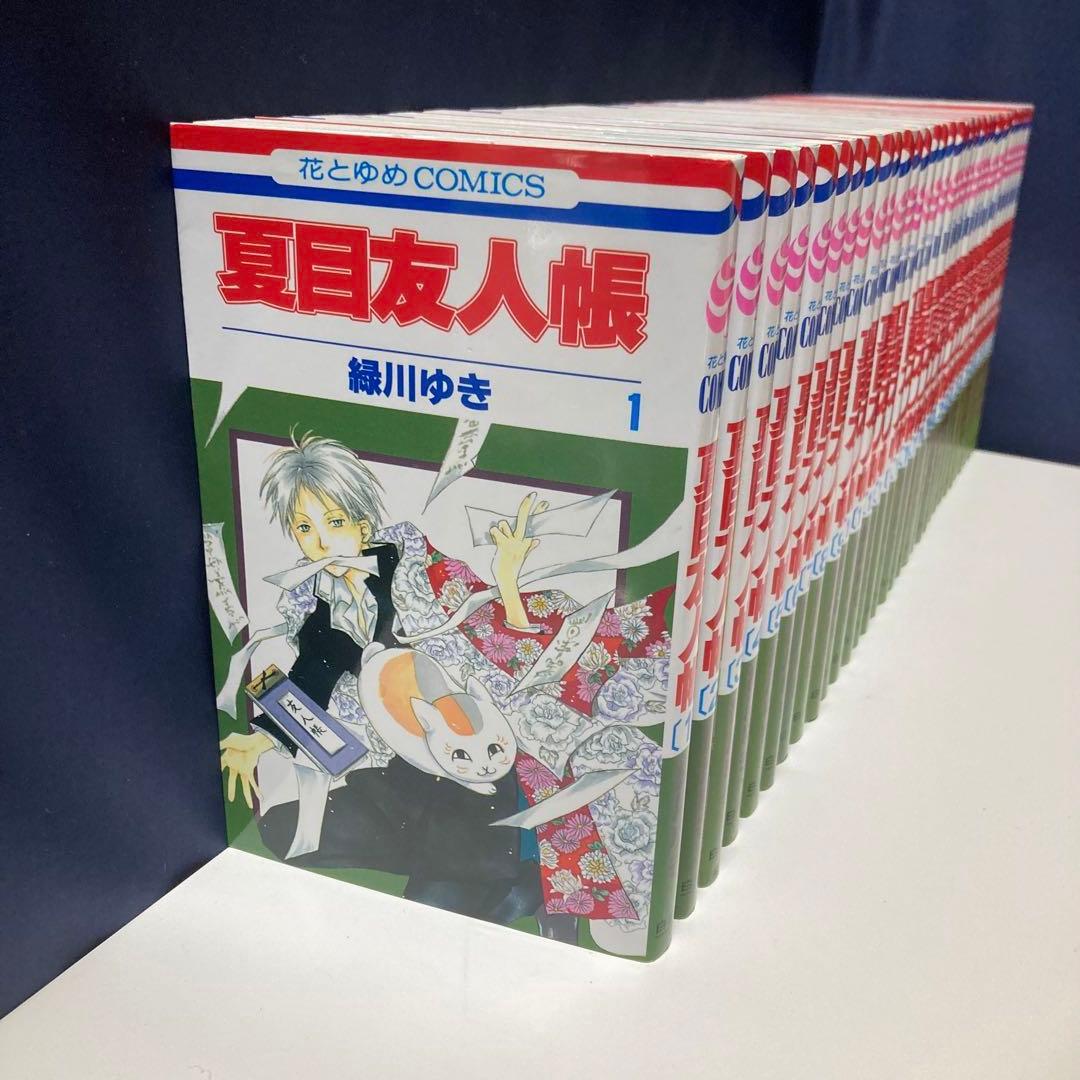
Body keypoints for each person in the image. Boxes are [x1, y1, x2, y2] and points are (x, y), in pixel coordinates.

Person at [218, 431, 564, 929]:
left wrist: (507, 581)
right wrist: (258, 741)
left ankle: (511, 880)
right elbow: (308, 683)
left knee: (431, 911)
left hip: (470, 760)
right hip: (402, 773)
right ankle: (473, 871)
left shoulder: (412, 564)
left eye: (335, 522)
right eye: (305, 528)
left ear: (362, 525)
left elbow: (488, 632)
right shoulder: (314, 608)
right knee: (282, 830)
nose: (321, 541)